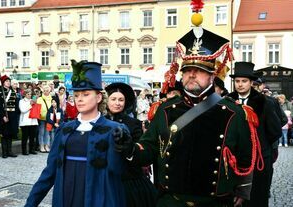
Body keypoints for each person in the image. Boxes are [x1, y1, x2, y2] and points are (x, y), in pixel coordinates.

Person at [114, 6, 262, 205]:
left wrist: (243, 191)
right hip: (172, 202)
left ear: (212, 75)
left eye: (198, 70)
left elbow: (245, 157)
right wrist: (129, 148)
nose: (191, 74)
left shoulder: (234, 113)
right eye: (187, 70)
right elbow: (148, 149)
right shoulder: (164, 110)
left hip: (214, 203)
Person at [25, 60, 128, 207]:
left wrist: (124, 146)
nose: (79, 99)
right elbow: (49, 172)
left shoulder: (115, 129)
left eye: (85, 94)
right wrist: (31, 203)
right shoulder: (64, 129)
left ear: (98, 97)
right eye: (77, 94)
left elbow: (117, 171)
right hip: (65, 197)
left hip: (98, 198)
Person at [228, 61, 282, 207]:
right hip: (234, 159)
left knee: (257, 198)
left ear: (251, 82)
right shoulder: (227, 101)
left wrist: (262, 147)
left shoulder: (265, 102)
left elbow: (275, 130)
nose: (240, 84)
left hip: (259, 160)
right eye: (237, 81)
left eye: (244, 81)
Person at [105, 82, 157, 207]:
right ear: (106, 101)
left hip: (128, 180)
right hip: (104, 179)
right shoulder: (99, 122)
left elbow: (138, 154)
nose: (117, 103)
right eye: (113, 99)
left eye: (121, 100)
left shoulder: (134, 124)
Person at [0, 75, 18, 158]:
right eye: (7, 81)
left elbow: (15, 104)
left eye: (9, 81)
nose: (8, 83)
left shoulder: (13, 92)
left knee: (10, 134)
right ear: (3, 83)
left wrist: (15, 115)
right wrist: (3, 116)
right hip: (4, 115)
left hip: (12, 115)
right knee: (4, 134)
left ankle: (10, 151)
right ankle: (4, 152)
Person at [19, 89, 39, 155]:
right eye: (28, 94)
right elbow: (23, 110)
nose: (29, 95)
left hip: (33, 121)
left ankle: (31, 150)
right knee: (25, 137)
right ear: (25, 94)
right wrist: (30, 105)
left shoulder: (33, 101)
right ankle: (24, 151)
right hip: (25, 122)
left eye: (30, 94)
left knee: (32, 137)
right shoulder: (21, 101)